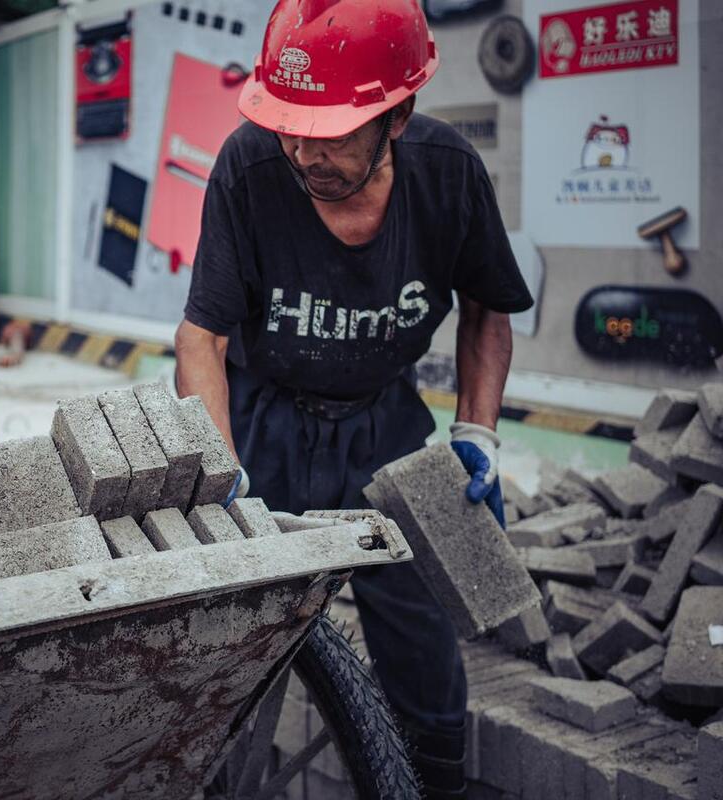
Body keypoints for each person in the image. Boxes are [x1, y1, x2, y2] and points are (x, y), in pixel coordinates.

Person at [175, 1, 533, 797]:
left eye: (331, 130)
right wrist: (221, 474)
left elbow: (487, 310)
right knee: (235, 646)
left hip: (388, 431)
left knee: (424, 655)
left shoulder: (449, 176)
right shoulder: (249, 166)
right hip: (263, 428)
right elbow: (202, 339)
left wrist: (478, 432)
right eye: (289, 125)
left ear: (397, 114)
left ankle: (430, 781)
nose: (302, 150)